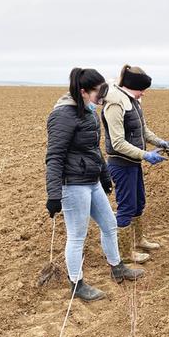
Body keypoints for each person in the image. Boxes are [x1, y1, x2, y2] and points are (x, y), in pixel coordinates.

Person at [45, 68, 144, 301]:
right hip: (73, 184)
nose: (101, 97)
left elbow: (93, 150)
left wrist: (104, 176)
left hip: (91, 181)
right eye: (98, 93)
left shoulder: (88, 112)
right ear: (83, 92)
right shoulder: (63, 115)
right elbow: (54, 156)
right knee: (77, 235)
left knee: (109, 224)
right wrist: (53, 194)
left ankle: (117, 267)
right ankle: (76, 284)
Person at [101, 65, 169, 264]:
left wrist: (160, 142)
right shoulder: (115, 104)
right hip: (121, 164)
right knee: (126, 207)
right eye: (142, 89)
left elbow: (142, 130)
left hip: (133, 164)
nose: (144, 93)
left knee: (139, 203)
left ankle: (139, 239)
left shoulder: (132, 101)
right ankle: (124, 253)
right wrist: (145, 155)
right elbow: (117, 142)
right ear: (133, 86)